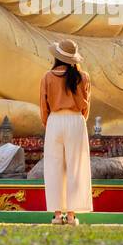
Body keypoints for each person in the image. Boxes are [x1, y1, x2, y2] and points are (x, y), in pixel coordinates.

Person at [39, 39, 92, 225]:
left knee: (54, 168)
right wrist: (78, 120)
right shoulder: (83, 77)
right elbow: (85, 107)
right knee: (75, 168)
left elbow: (43, 108)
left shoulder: (47, 77)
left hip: (55, 120)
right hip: (76, 121)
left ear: (56, 57)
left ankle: (57, 215)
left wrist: (50, 123)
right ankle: (71, 215)